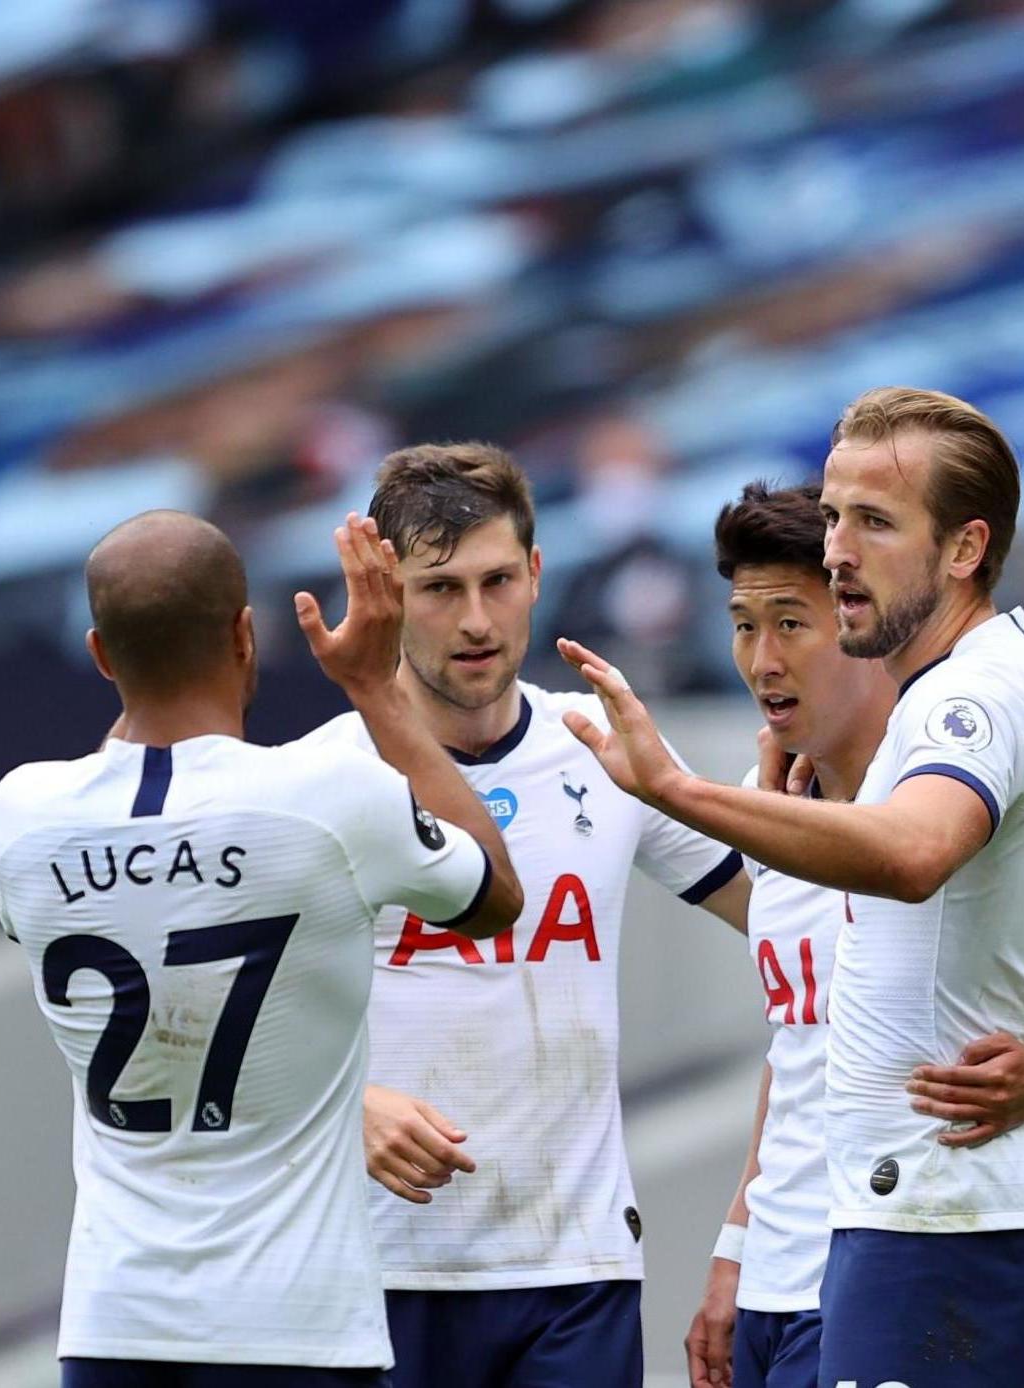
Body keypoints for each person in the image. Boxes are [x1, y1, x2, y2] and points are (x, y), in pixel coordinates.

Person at [559, 387, 1024, 1386]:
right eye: (835, 519)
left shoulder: (974, 696)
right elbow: (813, 1034)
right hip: (904, 1223)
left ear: (963, 549)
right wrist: (735, 1244)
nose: (839, 549)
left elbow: (909, 854)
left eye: (875, 521)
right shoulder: (995, 686)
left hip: (939, 1221)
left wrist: (672, 789)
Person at [0, 510, 522, 1387]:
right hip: (294, 1326)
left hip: (113, 1326)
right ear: (246, 634)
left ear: (101, 655)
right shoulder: (326, 796)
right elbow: (492, 896)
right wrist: (377, 688)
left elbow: (130, 830)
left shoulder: (20, 813)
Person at [294, 443, 751, 1388]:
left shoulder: (604, 745)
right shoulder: (319, 778)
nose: (475, 620)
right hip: (374, 1271)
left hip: (572, 1270)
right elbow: (204, 1014)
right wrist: (346, 1107)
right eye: (438, 587)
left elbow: (793, 923)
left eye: (498, 580)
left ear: (536, 575)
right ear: (383, 591)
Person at [684, 482, 1024, 1388]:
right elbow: (800, 1041)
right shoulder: (772, 804)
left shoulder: (951, 795)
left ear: (855, 621)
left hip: (892, 1250)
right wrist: (737, 1242)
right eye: (742, 625)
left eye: (791, 624)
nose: (763, 660)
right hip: (778, 1270)